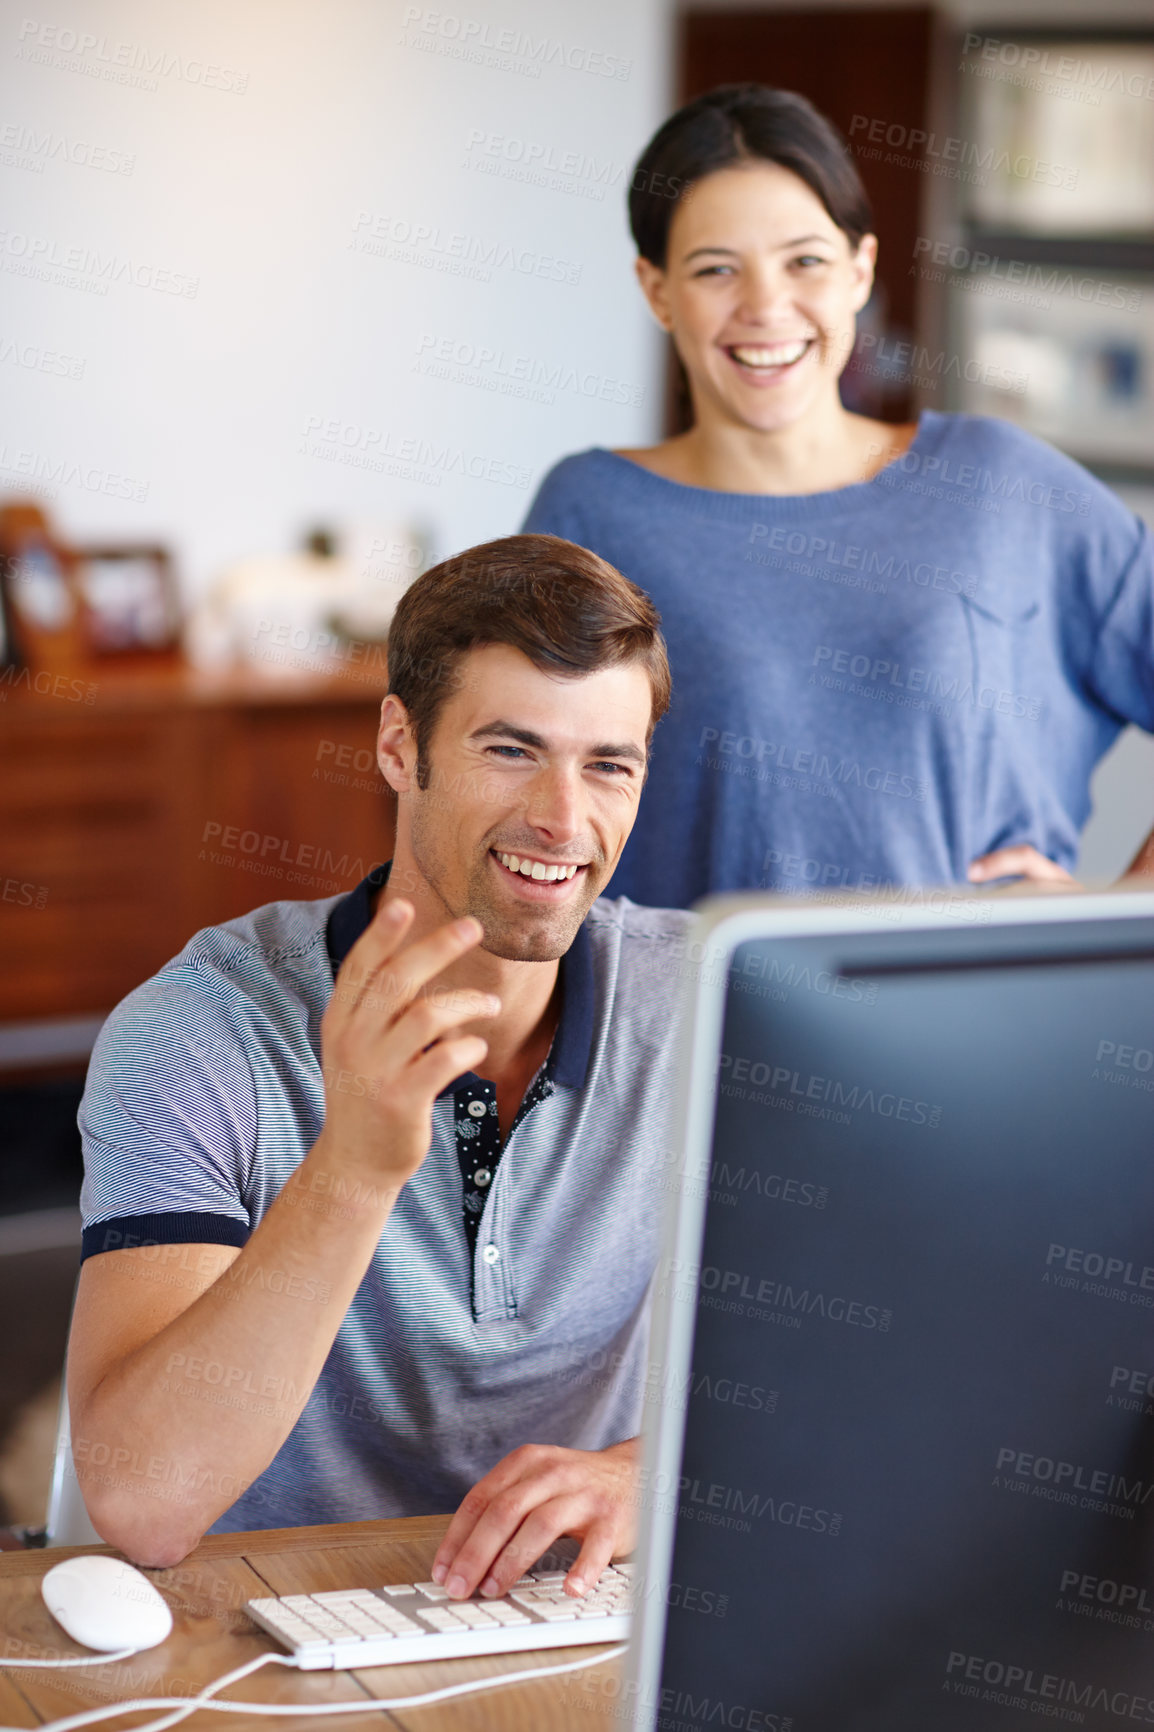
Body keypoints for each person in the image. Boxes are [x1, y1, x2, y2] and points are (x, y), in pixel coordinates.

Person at [66, 533, 689, 1603]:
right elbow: (142, 1500)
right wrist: (352, 1166)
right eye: (510, 749)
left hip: (564, 1629)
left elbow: (894, 1357)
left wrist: (656, 1476)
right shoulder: (199, 1031)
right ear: (400, 746)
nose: (562, 817)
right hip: (268, 1641)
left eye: (607, 765)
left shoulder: (698, 1004)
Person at [523, 83, 1154, 910]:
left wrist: (1117, 915)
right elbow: (515, 785)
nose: (766, 307)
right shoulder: (591, 511)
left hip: (972, 1021)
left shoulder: (1001, 485)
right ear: (658, 290)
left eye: (805, 261)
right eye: (717, 269)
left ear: (860, 269)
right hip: (674, 1025)